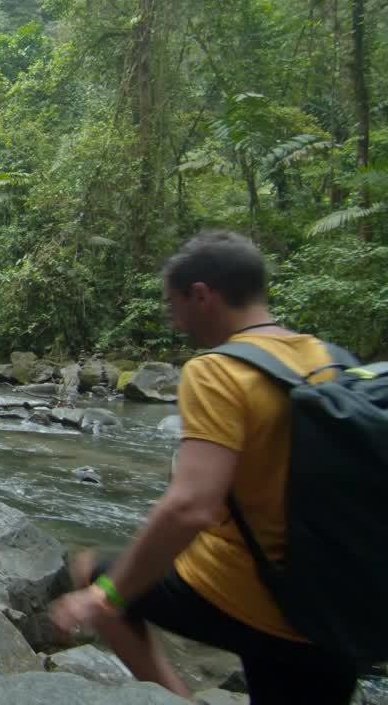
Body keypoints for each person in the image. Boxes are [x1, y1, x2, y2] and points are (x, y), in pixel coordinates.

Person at [48, 231, 359, 704]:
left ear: (202, 295)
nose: (176, 323)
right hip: (342, 603)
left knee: (96, 573)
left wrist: (104, 597)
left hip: (264, 603)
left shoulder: (218, 370)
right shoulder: (331, 361)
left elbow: (190, 507)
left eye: (175, 306)